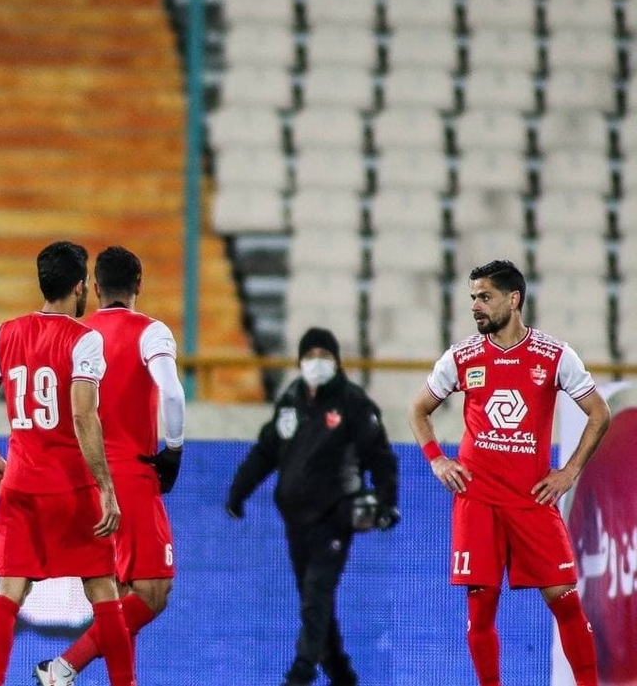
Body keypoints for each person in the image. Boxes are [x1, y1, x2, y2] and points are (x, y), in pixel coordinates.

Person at [407, 260, 611, 686]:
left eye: (485, 297)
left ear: (513, 299)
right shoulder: (462, 356)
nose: (476, 306)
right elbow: (419, 408)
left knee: (566, 602)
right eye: (473, 298)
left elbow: (599, 412)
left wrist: (570, 471)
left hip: (531, 499)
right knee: (480, 609)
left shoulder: (554, 355)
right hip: (477, 499)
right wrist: (437, 459)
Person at [0, 240, 136, 686]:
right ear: (80, 287)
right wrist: (106, 487)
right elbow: (82, 416)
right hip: (71, 487)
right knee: (102, 588)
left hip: (20, 485)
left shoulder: (5, 333)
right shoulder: (84, 339)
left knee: (9, 591)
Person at [35, 245, 186, 686]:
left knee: (117, 595)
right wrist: (174, 450)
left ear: (96, 288)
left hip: (81, 478)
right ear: (139, 284)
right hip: (129, 474)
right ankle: (62, 668)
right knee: (153, 591)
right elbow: (172, 392)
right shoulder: (150, 332)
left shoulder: (77, 335)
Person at [226, 327, 399, 686]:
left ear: (336, 361)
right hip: (296, 520)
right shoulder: (291, 399)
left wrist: (387, 502)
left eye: (324, 355)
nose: (316, 362)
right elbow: (266, 450)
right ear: (300, 360)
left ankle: (300, 673)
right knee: (315, 600)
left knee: (316, 595)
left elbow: (380, 456)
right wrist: (238, 492)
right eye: (310, 355)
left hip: (335, 516)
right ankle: (341, 674)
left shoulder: (353, 403)